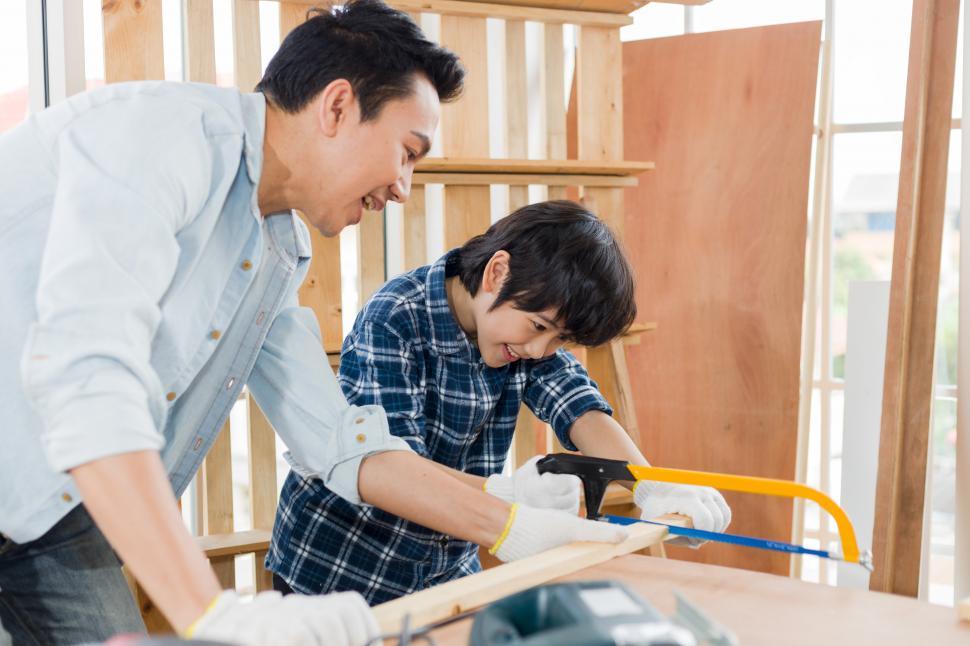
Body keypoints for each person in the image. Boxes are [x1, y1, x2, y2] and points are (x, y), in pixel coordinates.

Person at [0, 3, 624, 644]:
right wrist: (211, 612)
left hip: (56, 506)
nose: (404, 187)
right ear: (336, 107)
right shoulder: (160, 138)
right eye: (406, 153)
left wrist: (511, 521)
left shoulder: (274, 249)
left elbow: (337, 440)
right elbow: (89, 378)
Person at [268, 201, 732, 604]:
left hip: (444, 568)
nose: (539, 350)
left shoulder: (526, 335)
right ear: (496, 272)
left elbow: (579, 406)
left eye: (560, 340)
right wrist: (509, 497)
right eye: (537, 327)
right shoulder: (395, 317)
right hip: (335, 570)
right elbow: (393, 471)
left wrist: (651, 486)